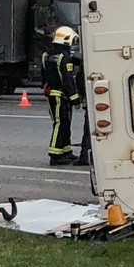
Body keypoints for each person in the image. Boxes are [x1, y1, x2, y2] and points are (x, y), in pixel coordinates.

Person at [41, 25, 87, 166]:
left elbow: (44, 77)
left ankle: (65, 151)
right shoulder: (64, 58)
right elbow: (67, 80)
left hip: (52, 93)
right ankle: (55, 155)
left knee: (65, 123)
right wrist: (75, 99)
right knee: (60, 124)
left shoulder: (46, 55)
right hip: (61, 95)